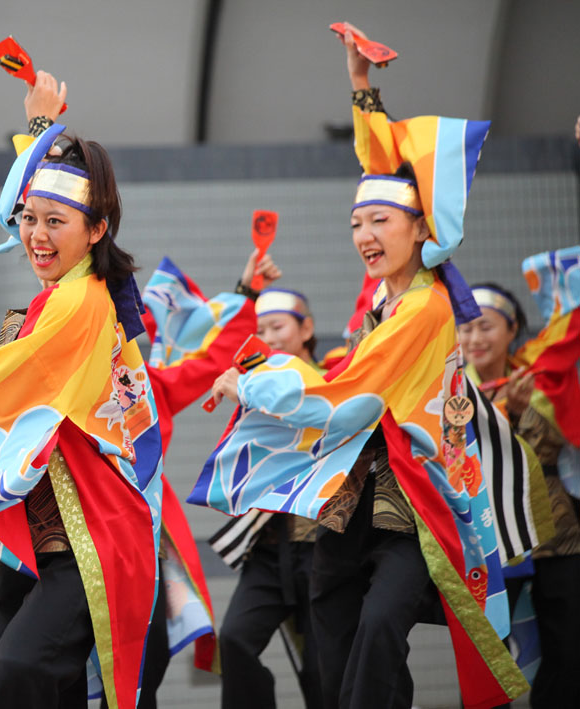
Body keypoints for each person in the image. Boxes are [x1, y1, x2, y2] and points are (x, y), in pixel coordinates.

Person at [194, 22, 533, 708]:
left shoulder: (425, 309)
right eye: (356, 224)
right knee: (334, 626)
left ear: (419, 230)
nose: (364, 235)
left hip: (417, 497)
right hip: (350, 503)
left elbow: (347, 389)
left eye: (379, 223)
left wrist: (253, 379)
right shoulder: (385, 296)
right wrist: (360, 88)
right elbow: (385, 171)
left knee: (379, 625)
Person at [0, 69, 162, 709]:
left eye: (55, 223)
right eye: (29, 220)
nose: (36, 236)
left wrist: (45, 129)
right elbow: (14, 419)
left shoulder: (80, 305)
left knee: (16, 668)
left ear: (97, 230)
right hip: (46, 542)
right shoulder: (59, 301)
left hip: (90, 539)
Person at [461, 272, 580, 708]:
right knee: (488, 655)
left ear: (512, 330)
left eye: (486, 325)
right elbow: (457, 456)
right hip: (490, 539)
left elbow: (558, 445)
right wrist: (503, 412)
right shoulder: (453, 391)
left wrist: (523, 410)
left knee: (567, 648)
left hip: (555, 534)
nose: (474, 337)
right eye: (466, 326)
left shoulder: (544, 377)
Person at [215, 287, 323, 709]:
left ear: (307, 328)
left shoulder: (336, 376)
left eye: (277, 327)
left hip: (322, 544)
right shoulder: (255, 385)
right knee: (235, 640)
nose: (269, 338)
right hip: (270, 543)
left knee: (321, 664)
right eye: (260, 331)